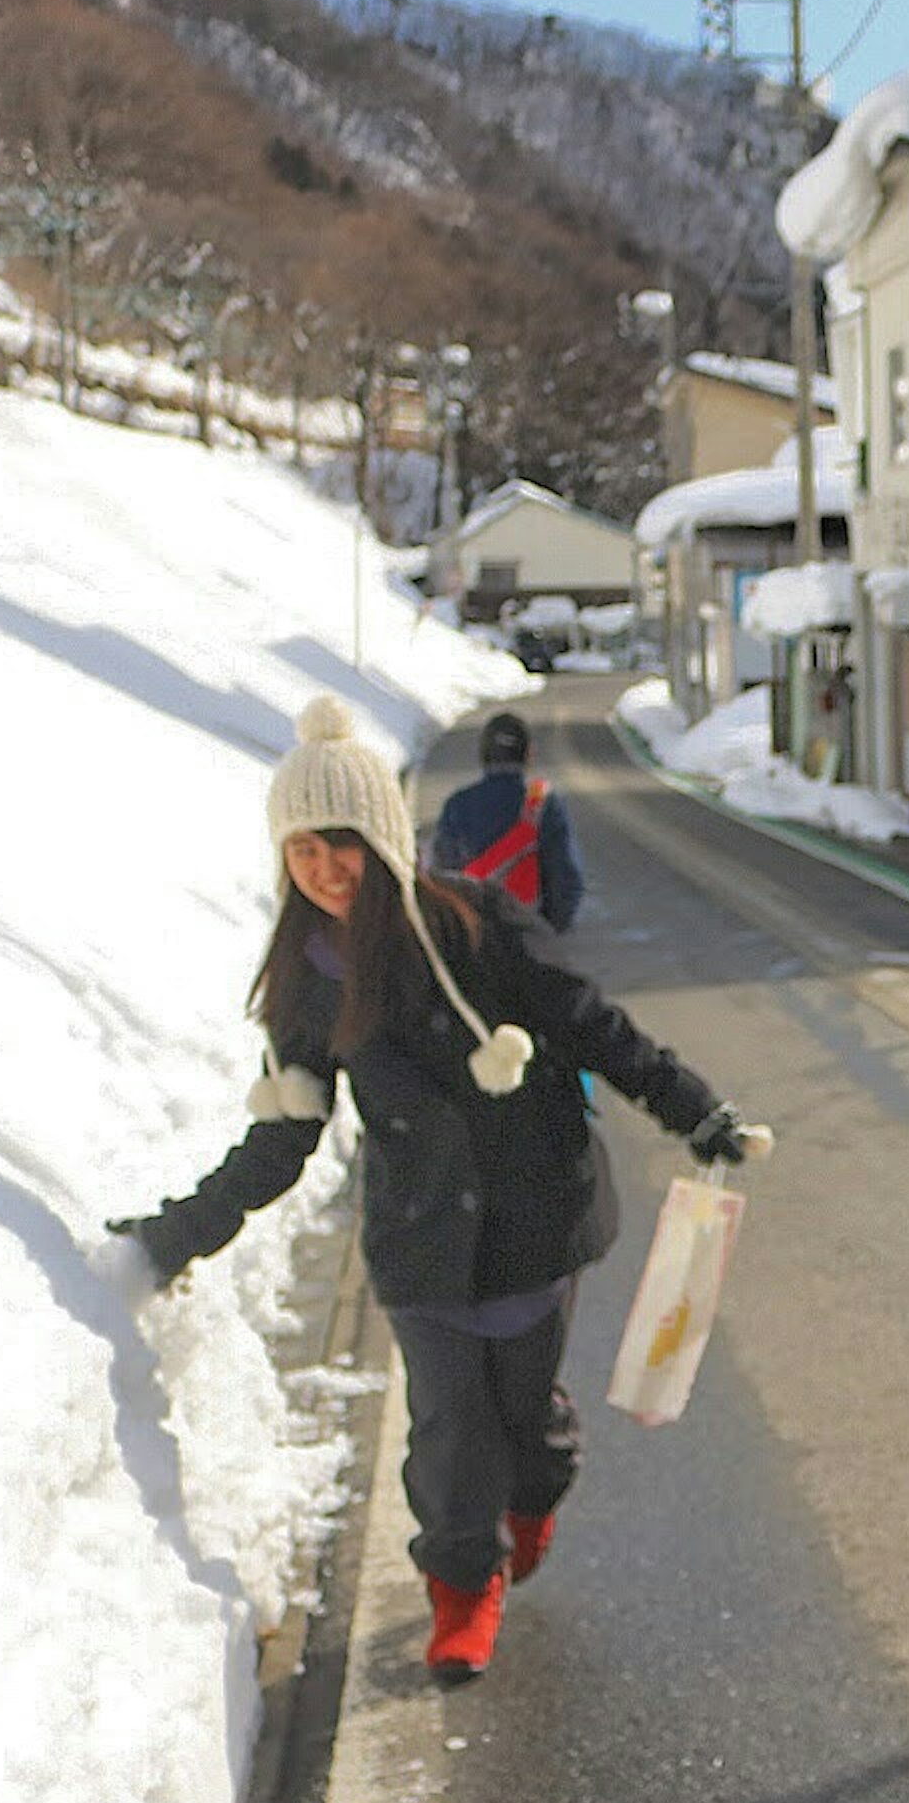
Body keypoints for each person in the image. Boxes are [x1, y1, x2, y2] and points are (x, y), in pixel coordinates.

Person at [108, 698, 767, 1683]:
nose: (326, 871)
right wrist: (172, 1238)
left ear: (379, 835)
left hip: (533, 1215)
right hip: (421, 1237)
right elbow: (288, 1131)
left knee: (523, 1422)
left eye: (342, 845)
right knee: (450, 1428)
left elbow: (591, 1025)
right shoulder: (305, 977)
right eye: (302, 852)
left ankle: (535, 1495)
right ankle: (462, 1589)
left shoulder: (478, 925)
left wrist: (694, 1111)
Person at [430, 707, 585, 932]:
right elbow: (567, 879)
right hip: (527, 932)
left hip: (471, 934)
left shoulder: (458, 804)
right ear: (528, 754)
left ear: (483, 754)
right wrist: (552, 929)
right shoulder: (542, 803)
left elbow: (441, 875)